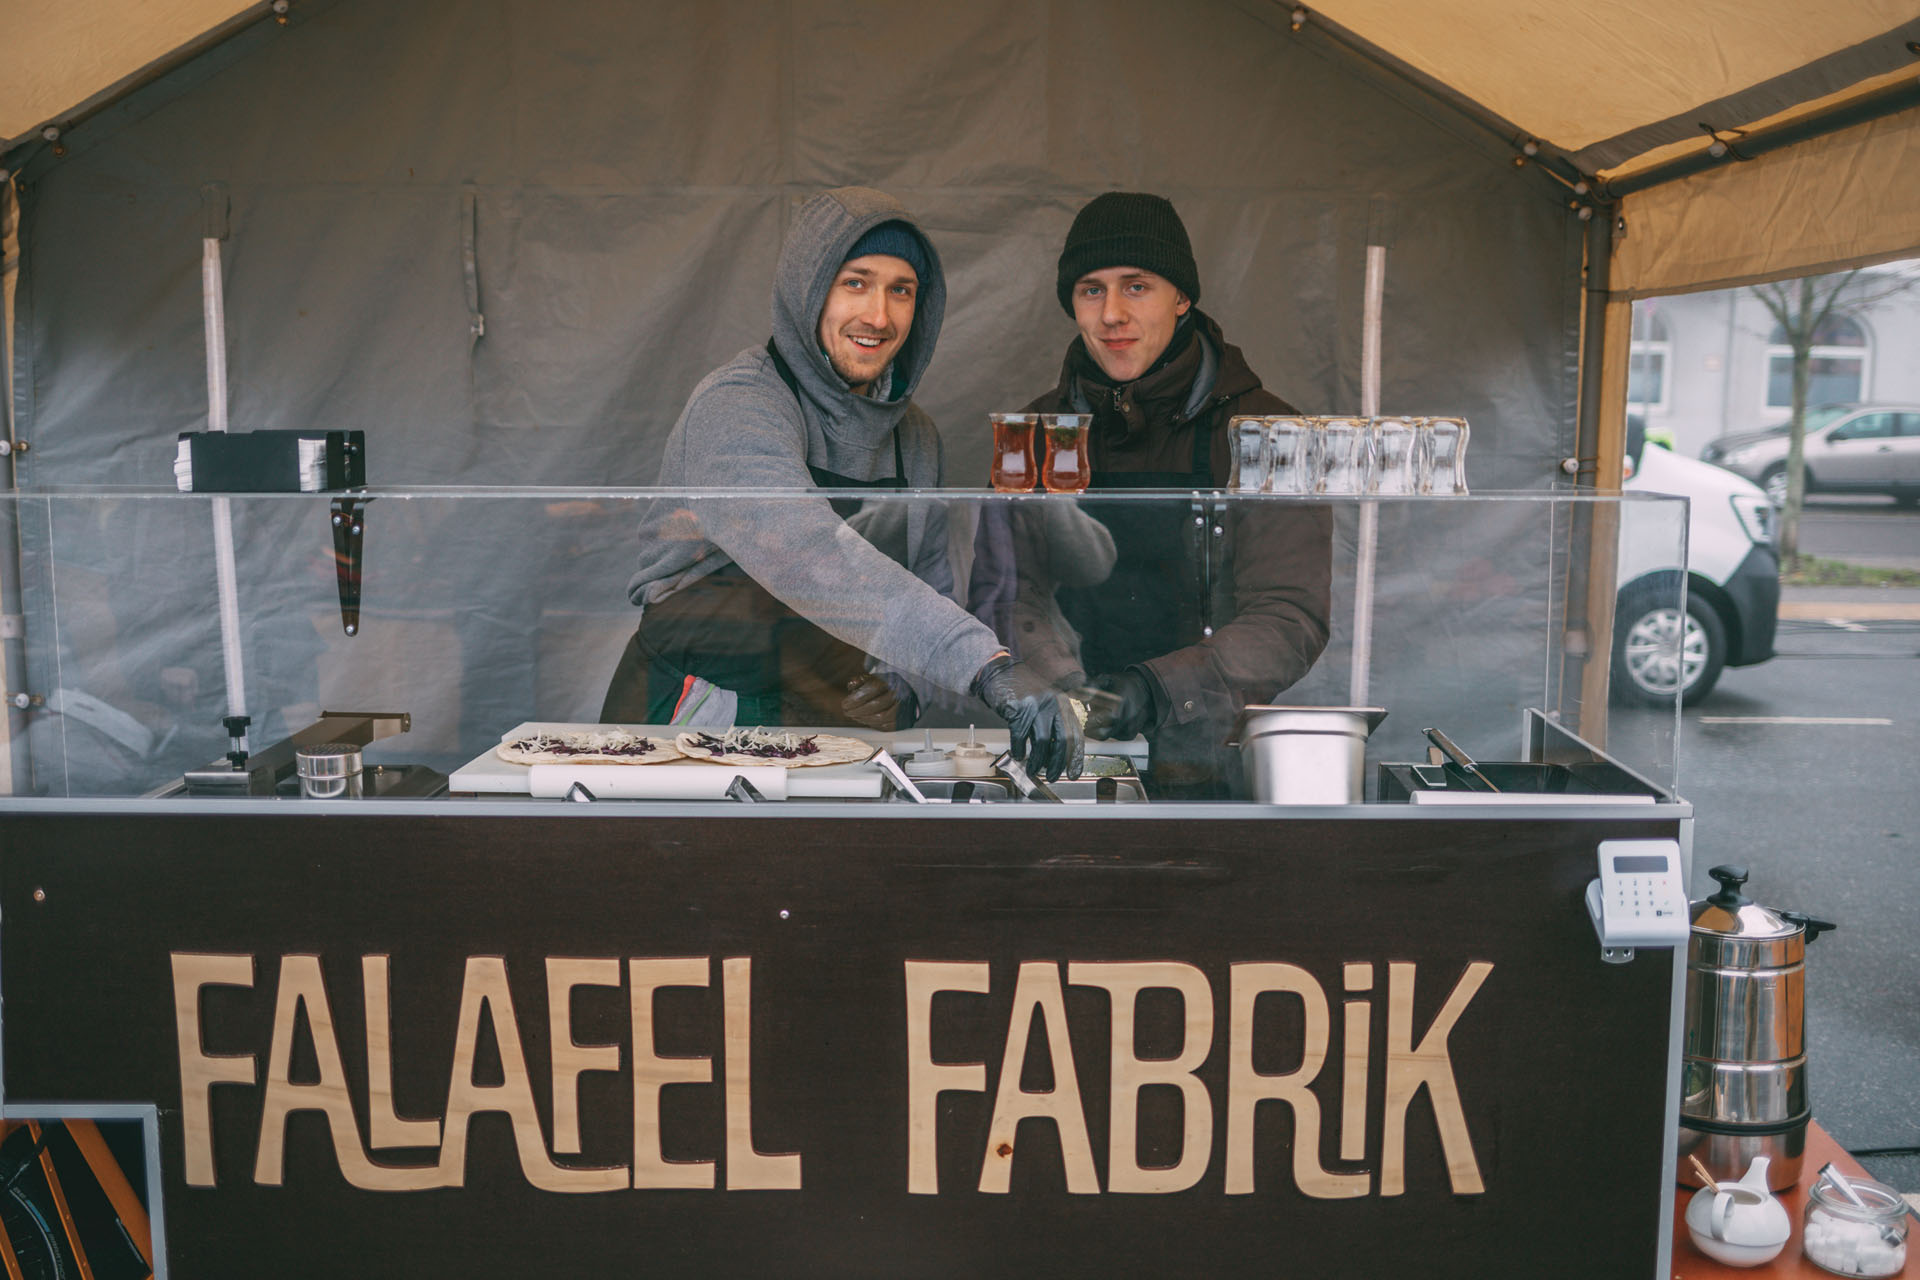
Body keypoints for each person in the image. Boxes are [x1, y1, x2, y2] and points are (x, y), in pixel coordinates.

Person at [603, 186, 1080, 779]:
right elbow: (804, 551)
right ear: (808, 289)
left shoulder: (917, 438)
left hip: (825, 720)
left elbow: (926, 578)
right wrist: (982, 663)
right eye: (855, 282)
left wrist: (902, 684)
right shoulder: (739, 403)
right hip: (693, 705)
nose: (878, 316)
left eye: (900, 290)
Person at [1018, 192, 1332, 798]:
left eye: (1136, 287)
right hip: (1066, 759)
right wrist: (1063, 684)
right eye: (1091, 289)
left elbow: (1290, 614)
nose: (1111, 314)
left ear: (1182, 297)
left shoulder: (1268, 433)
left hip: (1208, 760)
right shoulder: (1035, 434)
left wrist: (1158, 687)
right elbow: (1006, 588)